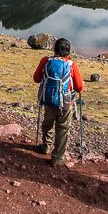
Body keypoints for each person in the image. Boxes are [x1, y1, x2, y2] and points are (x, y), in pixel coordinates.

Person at [33, 37, 84, 167]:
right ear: (68, 51)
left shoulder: (46, 61)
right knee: (62, 129)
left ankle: (45, 146)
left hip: (49, 99)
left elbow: (36, 79)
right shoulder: (72, 65)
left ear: (54, 49)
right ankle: (57, 157)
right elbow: (79, 88)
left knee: (47, 123)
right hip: (66, 103)